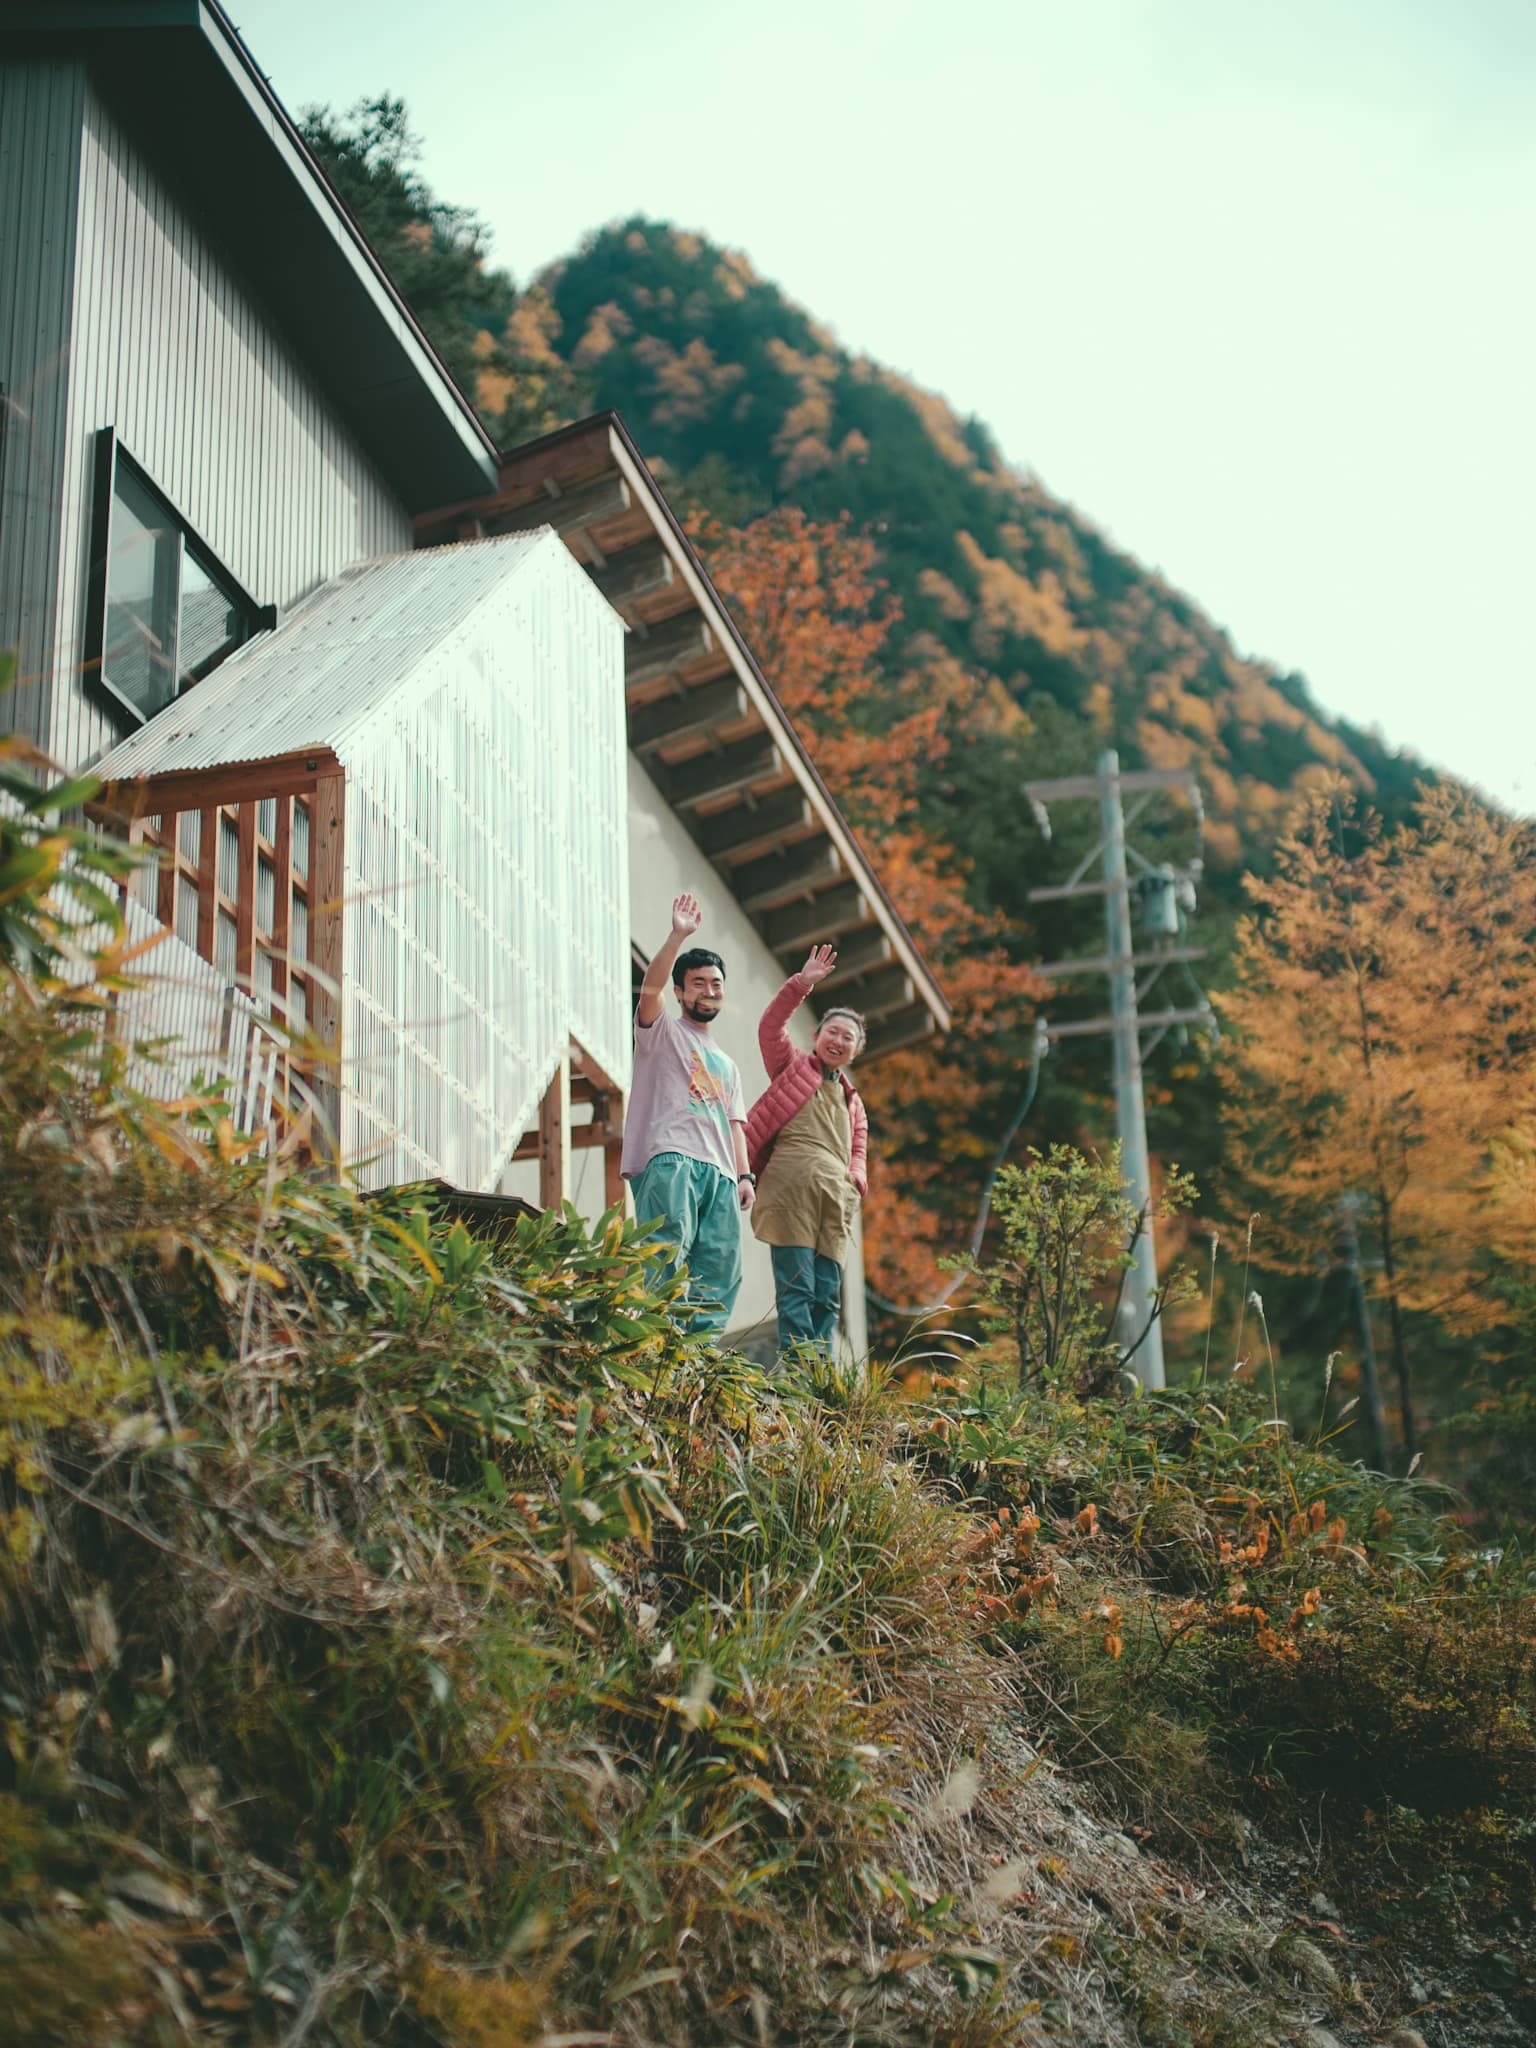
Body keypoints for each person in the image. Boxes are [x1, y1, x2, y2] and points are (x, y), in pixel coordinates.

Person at [620, 891, 755, 1333]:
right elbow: (650, 988)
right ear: (680, 991)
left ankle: (691, 1359)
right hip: (671, 1157)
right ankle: (656, 1341)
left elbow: (735, 1123)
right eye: (698, 982)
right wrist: (677, 936)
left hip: (719, 1172)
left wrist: (744, 1175)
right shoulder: (661, 1033)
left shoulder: (729, 1064)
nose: (709, 990)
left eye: (716, 983)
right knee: (666, 1250)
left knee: (719, 1268)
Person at [745, 945, 868, 1360]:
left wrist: (854, 1184)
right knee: (796, 1288)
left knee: (827, 1296)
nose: (837, 1039)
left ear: (855, 1051)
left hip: (834, 1199)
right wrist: (802, 984)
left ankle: (820, 1383)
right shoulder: (793, 1067)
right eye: (831, 1031)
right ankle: (799, 1383)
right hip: (790, 1189)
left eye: (847, 1037)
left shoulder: (854, 1101)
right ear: (815, 1038)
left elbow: (859, 1152)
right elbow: (770, 1028)